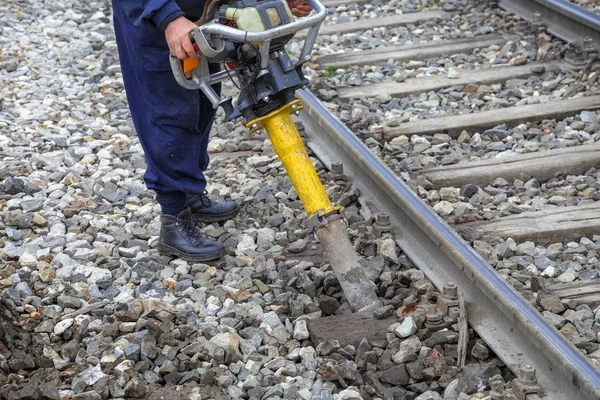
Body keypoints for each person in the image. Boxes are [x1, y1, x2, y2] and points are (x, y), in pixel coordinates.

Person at [111, 0, 313, 262]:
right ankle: (172, 221)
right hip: (155, 19)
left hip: (203, 14)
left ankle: (189, 195)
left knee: (201, 102)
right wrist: (168, 16)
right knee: (168, 113)